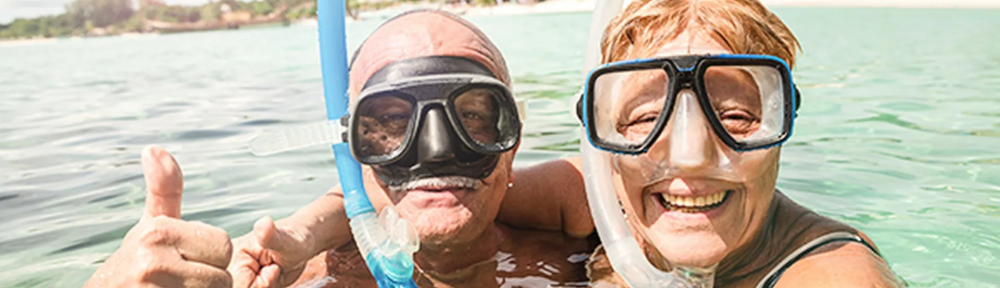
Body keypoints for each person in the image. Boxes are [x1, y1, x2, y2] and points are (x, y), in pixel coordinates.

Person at [226, 10, 597, 288]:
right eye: (391, 120)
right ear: (354, 151)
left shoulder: (588, 240)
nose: (437, 151)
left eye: (470, 116)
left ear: (511, 145)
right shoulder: (299, 275)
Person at [572, 0, 904, 287]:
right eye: (646, 119)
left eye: (736, 117)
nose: (691, 157)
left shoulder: (837, 276)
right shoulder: (589, 195)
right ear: (602, 145)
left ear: (783, 120)